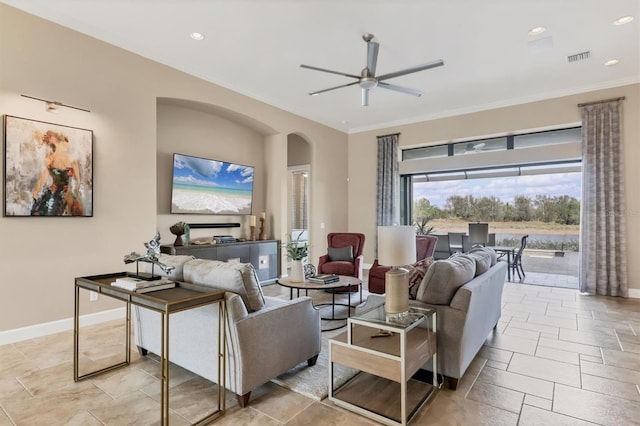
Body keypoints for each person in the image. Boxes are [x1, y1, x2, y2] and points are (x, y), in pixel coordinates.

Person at [31, 130, 84, 216]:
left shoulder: (72, 159)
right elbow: (43, 177)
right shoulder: (50, 159)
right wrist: (36, 190)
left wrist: (76, 191)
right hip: (54, 193)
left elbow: (78, 180)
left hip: (66, 194)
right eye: (65, 142)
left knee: (76, 211)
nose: (67, 146)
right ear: (54, 141)